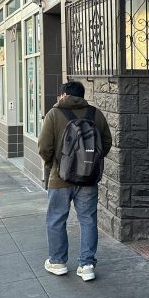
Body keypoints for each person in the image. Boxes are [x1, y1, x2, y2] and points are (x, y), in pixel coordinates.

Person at [38, 80, 112, 281]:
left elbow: (44, 146)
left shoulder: (54, 114)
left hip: (60, 178)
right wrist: (90, 162)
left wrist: (54, 164)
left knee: (56, 219)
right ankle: (87, 265)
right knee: (88, 219)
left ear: (63, 95)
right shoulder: (95, 114)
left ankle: (58, 262)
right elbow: (106, 142)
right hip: (88, 178)